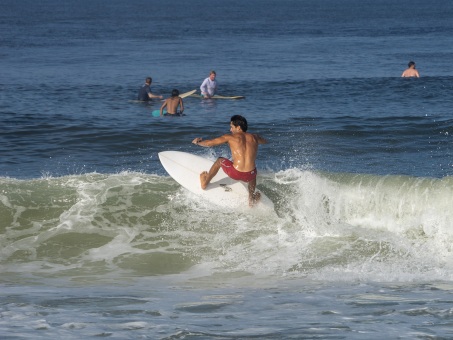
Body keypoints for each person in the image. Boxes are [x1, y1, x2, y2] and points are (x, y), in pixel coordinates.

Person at [192, 115, 267, 207]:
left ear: (238, 127)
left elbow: (209, 143)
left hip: (235, 173)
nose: (230, 130)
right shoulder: (255, 137)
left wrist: (198, 142)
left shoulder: (230, 137)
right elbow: (265, 141)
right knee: (253, 170)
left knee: (219, 160)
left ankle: (205, 183)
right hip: (249, 176)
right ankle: (251, 199)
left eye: (231, 127)